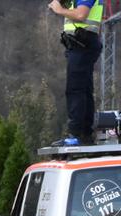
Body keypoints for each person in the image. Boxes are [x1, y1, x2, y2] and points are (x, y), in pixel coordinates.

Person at [49, 0, 104, 146]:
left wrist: (59, 9)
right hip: (80, 43)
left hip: (82, 43)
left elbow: (80, 14)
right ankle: (85, 134)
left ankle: (76, 134)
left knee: (75, 89)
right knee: (84, 89)